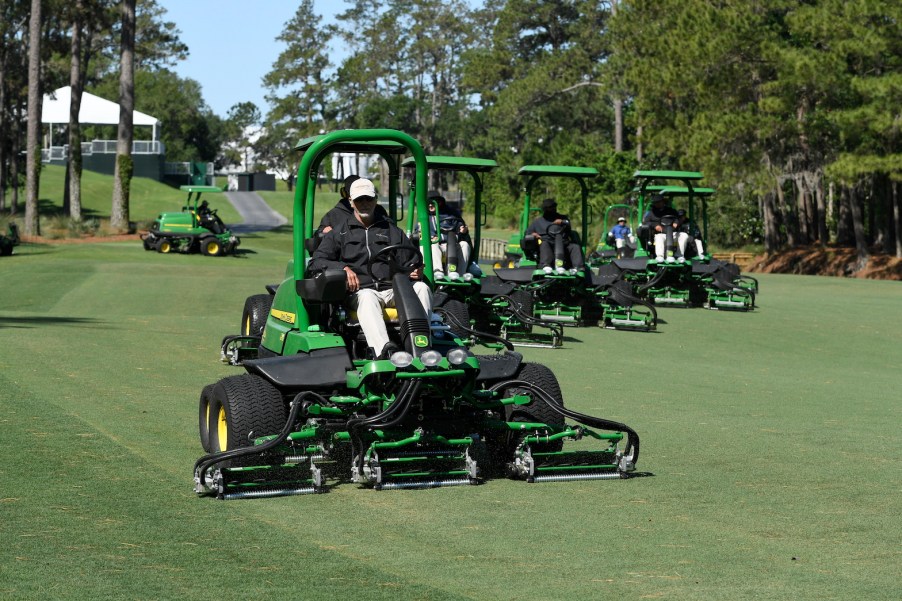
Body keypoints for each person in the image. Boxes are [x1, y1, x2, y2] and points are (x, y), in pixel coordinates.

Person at [309, 178, 432, 359]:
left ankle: (423, 348)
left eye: (368, 199)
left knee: (422, 288)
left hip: (393, 289)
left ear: (376, 200)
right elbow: (316, 261)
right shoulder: (340, 232)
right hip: (360, 291)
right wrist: (343, 268)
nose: (364, 204)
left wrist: (415, 270)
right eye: (359, 200)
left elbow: (411, 260)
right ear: (351, 202)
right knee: (367, 297)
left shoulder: (391, 231)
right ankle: (384, 351)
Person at [414, 192, 473, 281]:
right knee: (434, 244)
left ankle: (460, 274)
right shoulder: (423, 217)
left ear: (440, 202)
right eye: (429, 203)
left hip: (451, 245)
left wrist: (463, 231)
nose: (431, 205)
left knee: (464, 244)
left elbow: (461, 229)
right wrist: (429, 238)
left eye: (434, 202)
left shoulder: (451, 214)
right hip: (434, 246)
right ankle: (438, 271)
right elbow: (418, 233)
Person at [524, 198, 585, 274]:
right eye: (550, 208)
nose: (552, 209)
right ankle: (546, 265)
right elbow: (527, 233)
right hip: (547, 244)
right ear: (545, 209)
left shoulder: (562, 218)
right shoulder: (537, 222)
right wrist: (533, 234)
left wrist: (562, 222)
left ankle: (578, 267)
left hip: (563, 244)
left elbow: (568, 225)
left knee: (575, 247)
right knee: (544, 244)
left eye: (553, 207)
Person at [316, 174, 388, 237]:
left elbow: (391, 229)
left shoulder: (379, 210)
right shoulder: (334, 215)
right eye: (359, 198)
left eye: (368, 198)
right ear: (349, 197)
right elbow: (318, 236)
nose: (364, 203)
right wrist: (324, 232)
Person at [641, 193, 688, 263]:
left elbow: (677, 218)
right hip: (660, 233)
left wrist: (676, 222)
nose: (658, 204)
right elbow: (646, 222)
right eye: (656, 202)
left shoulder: (671, 210)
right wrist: (655, 226)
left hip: (672, 232)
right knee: (659, 237)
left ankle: (679, 255)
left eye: (659, 202)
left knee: (684, 235)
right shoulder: (651, 213)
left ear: (663, 201)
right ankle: (660, 256)